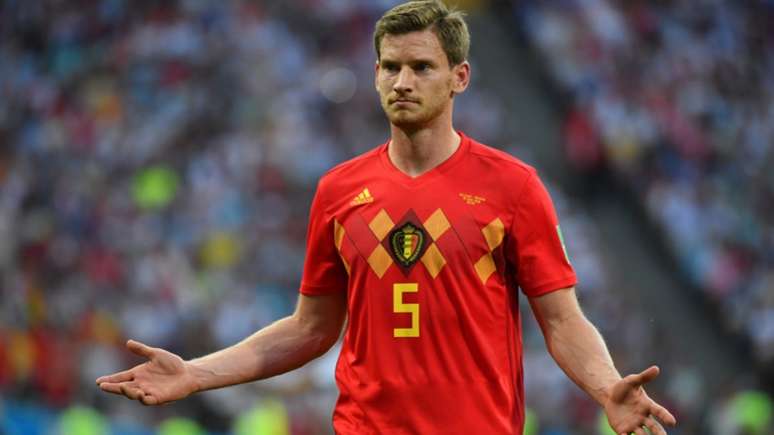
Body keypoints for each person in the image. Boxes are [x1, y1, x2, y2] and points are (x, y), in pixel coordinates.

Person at [96, 1, 677, 434]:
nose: (402, 82)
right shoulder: (339, 191)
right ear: (374, 74)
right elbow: (310, 328)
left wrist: (606, 387)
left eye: (422, 67)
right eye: (390, 66)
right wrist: (196, 373)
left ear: (459, 78)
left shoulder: (512, 187)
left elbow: (562, 321)